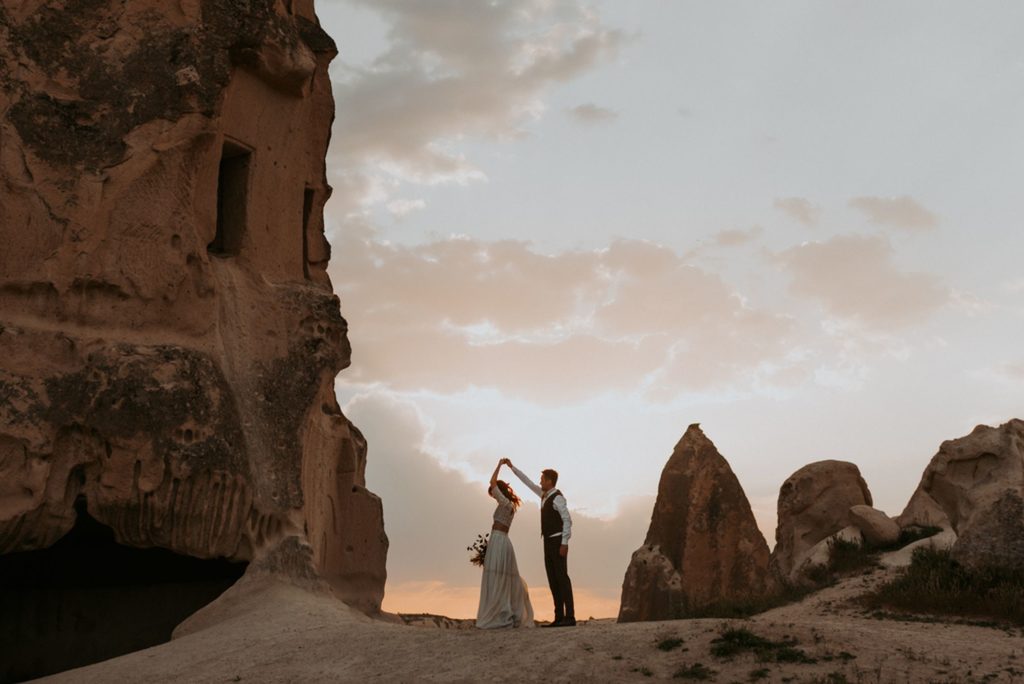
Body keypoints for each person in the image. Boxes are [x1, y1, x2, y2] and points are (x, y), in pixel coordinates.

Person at [502, 458, 575, 627]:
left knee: (562, 578)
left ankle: (570, 618)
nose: (539, 481)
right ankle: (559, 618)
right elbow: (526, 482)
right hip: (547, 542)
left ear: (549, 481)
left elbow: (567, 520)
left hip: (558, 541)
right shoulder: (543, 495)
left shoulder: (557, 498)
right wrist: (512, 467)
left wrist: (564, 543)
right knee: (552, 579)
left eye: (542, 479)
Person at [475, 459, 535, 629]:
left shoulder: (505, 503)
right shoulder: (509, 505)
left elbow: (492, 482)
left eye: (493, 493)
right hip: (501, 541)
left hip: (499, 541)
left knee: (496, 577)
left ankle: (500, 613)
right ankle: (503, 610)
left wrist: (500, 465)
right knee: (500, 577)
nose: (493, 496)